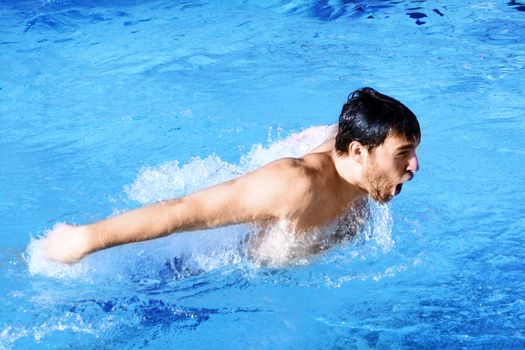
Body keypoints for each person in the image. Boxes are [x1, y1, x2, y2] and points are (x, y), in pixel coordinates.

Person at [40, 87, 420, 265]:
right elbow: (182, 211)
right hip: (190, 275)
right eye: (404, 154)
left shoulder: (365, 170)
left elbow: (334, 131)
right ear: (358, 152)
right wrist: (86, 238)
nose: (415, 166)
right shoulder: (294, 184)